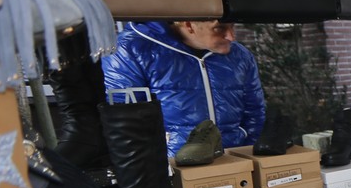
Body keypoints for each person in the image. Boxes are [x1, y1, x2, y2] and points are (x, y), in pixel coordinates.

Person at [102, 20, 265, 156]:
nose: (231, 36)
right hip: (170, 168)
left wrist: (246, 154)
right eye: (219, 28)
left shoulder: (240, 55)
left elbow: (255, 112)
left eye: (232, 26)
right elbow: (124, 127)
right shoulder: (130, 49)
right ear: (189, 25)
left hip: (233, 162)